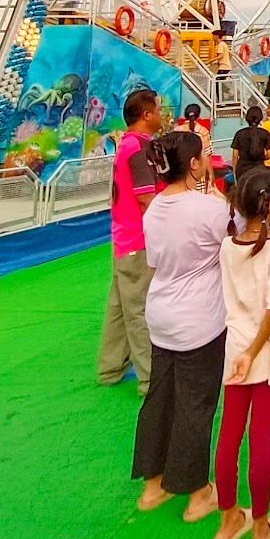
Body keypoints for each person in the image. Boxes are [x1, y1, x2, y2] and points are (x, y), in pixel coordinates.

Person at [131, 131, 230, 523]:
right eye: (202, 155)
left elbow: (156, 259)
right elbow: (238, 232)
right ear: (193, 164)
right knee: (195, 404)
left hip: (162, 315)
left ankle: (153, 485)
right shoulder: (207, 208)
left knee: (159, 398)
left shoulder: (155, 207)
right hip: (199, 321)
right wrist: (216, 196)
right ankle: (197, 491)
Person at [213, 166, 270, 539]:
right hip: (264, 354)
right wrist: (253, 352)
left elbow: (250, 246)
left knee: (230, 434)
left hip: (235, 351)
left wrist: (243, 352)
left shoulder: (229, 245)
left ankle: (228, 518)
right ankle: (261, 528)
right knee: (261, 439)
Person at [99, 89, 162, 395]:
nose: (162, 115)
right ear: (146, 115)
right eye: (158, 110)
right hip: (138, 238)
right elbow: (146, 198)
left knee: (120, 306)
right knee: (138, 309)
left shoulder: (126, 143)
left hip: (123, 236)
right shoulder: (139, 148)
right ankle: (149, 378)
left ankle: (110, 367)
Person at [231, 105, 270, 183]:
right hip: (260, 169)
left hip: (242, 170)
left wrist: (235, 171)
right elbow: (269, 154)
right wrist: (261, 157)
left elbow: (235, 156)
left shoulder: (239, 134)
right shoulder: (265, 133)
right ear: (260, 118)